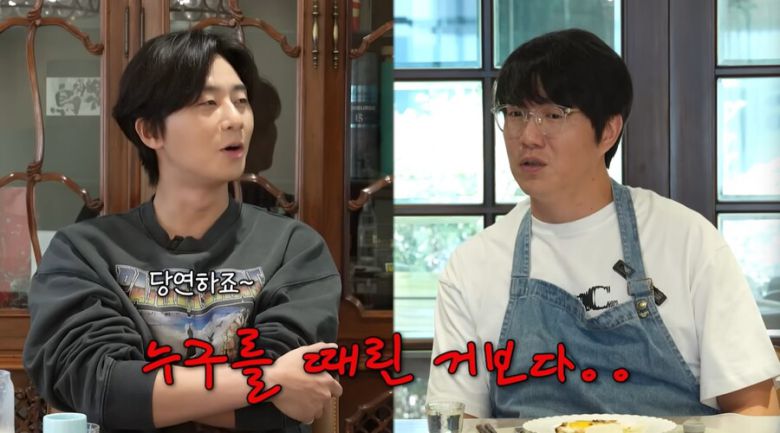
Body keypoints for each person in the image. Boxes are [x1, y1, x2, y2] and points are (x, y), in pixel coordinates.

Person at [426, 29, 780, 418]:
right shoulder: (473, 266)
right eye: (514, 114)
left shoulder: (686, 241)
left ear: (608, 130)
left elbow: (755, 407)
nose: (528, 136)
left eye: (553, 115)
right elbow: (457, 418)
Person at [23, 30, 342, 433]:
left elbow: (290, 401)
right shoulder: (85, 252)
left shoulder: (294, 249)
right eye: (209, 103)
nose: (235, 119)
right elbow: (96, 387)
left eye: (241, 101)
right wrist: (264, 382)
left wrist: (140, 395)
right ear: (150, 132)